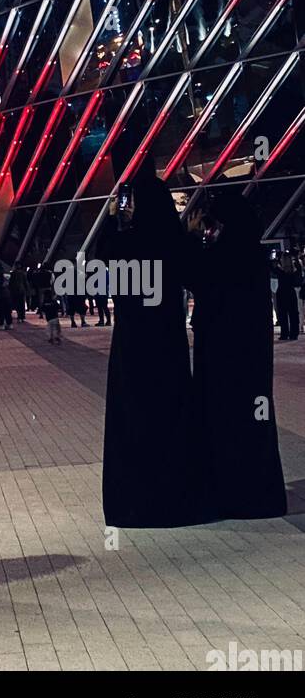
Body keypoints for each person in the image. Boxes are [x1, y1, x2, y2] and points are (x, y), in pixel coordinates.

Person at [98, 164, 206, 528]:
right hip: (167, 344)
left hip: (132, 347)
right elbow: (196, 276)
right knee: (170, 418)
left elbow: (98, 265)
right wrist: (189, 237)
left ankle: (134, 503)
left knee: (134, 420)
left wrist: (114, 219)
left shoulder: (124, 242)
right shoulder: (170, 241)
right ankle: (174, 501)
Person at [187, 193, 287, 520]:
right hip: (252, 362)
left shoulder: (222, 255)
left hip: (222, 360)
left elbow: (193, 275)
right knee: (254, 424)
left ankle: (232, 493)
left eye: (214, 224)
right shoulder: (252, 254)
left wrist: (191, 237)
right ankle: (257, 491)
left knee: (226, 423)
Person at [273, 253, 300, 342]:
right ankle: (294, 333)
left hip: (281, 293)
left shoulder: (279, 271)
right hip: (291, 293)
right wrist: (296, 260)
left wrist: (276, 260)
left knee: (283, 315)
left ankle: (284, 333)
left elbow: (272, 267)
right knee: (293, 314)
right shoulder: (294, 270)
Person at [0, 263, 13, 329]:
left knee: (0, 310)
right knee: (7, 310)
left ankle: (1, 324)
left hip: (0, 293)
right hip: (7, 293)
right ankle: (9, 324)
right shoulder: (7, 273)